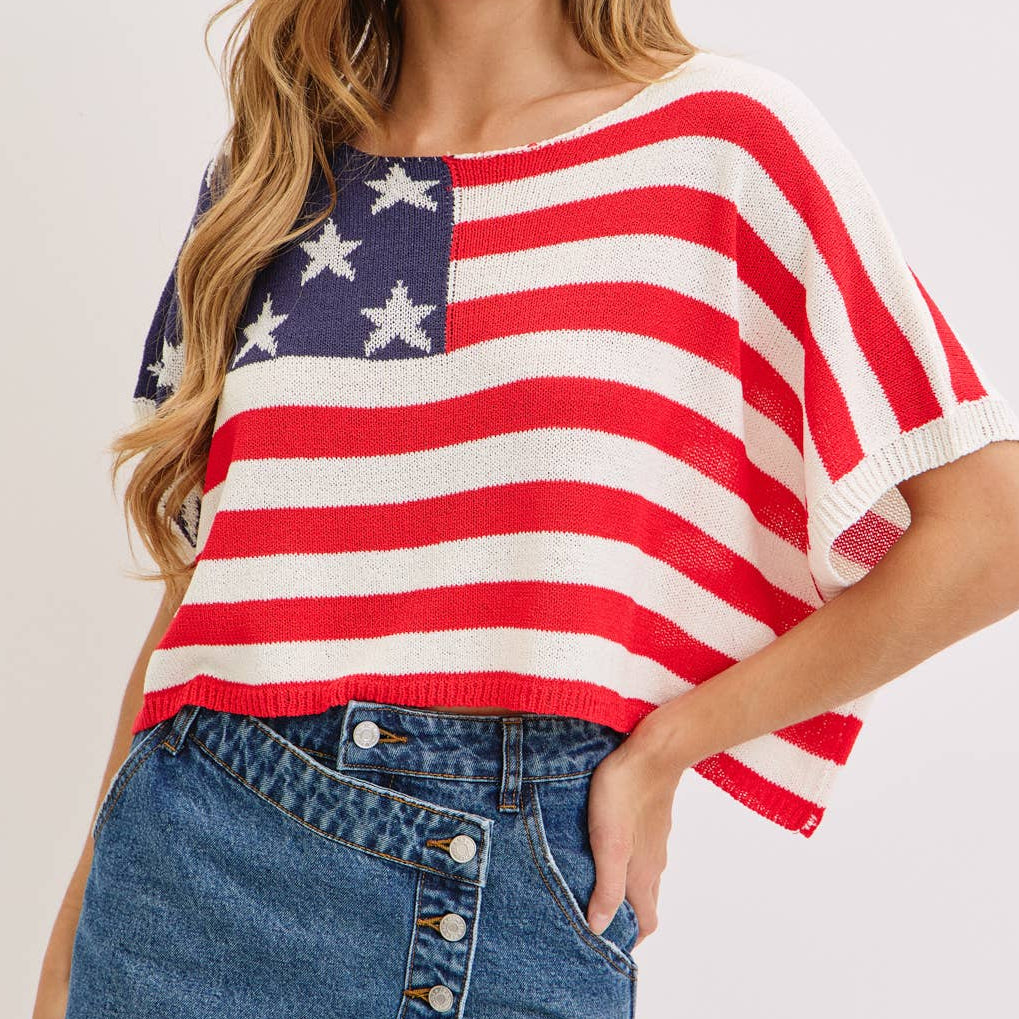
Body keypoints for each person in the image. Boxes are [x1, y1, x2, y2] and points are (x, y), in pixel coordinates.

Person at [34, 1, 1019, 1016]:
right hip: (185, 875)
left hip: (503, 884)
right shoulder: (269, 179)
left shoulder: (717, 139)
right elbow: (204, 590)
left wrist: (673, 740)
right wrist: (67, 945)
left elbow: (990, 529)